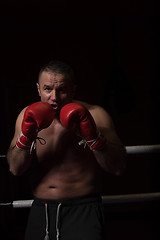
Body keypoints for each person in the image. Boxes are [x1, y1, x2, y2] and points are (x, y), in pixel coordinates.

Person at [7, 60, 126, 240]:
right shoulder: (26, 115)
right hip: (42, 210)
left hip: (83, 210)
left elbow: (117, 167)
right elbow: (15, 168)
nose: (54, 97)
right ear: (38, 89)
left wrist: (94, 137)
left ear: (73, 90)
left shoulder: (95, 115)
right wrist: (26, 137)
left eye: (61, 90)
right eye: (47, 89)